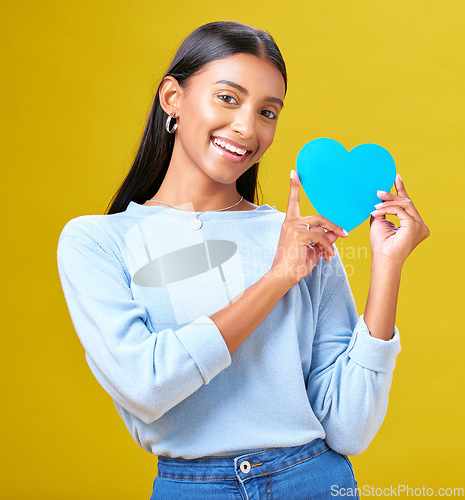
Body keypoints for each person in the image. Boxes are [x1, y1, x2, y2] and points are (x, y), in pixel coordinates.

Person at [56, 21, 429, 500]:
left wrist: (387, 266)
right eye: (228, 98)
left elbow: (349, 429)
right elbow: (147, 386)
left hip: (315, 480)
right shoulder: (97, 241)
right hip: (191, 488)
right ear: (172, 97)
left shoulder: (301, 239)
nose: (247, 128)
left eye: (267, 112)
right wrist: (276, 279)